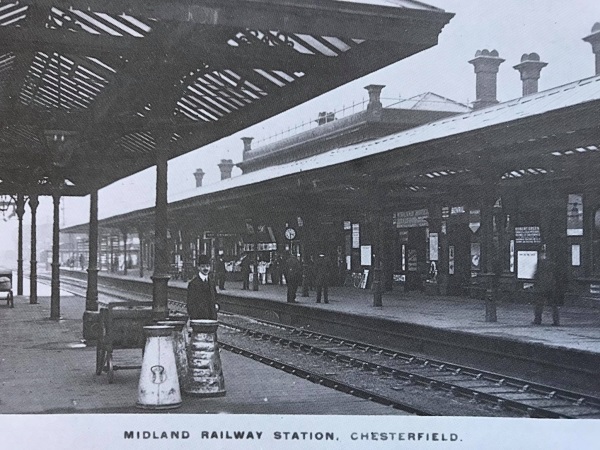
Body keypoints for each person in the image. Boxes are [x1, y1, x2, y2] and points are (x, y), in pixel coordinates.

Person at [532, 249, 562, 326]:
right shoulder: (553, 264)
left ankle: (537, 320)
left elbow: (536, 275)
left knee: (539, 305)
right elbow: (557, 276)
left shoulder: (540, 264)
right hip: (551, 287)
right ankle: (556, 321)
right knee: (554, 305)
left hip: (541, 287)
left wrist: (535, 282)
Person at [186, 254, 218, 320]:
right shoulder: (193, 284)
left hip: (211, 319)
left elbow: (216, 297)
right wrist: (194, 318)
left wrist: (217, 305)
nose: (206, 269)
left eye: (208, 266)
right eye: (203, 266)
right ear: (198, 267)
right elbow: (190, 304)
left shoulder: (212, 282)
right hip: (198, 320)